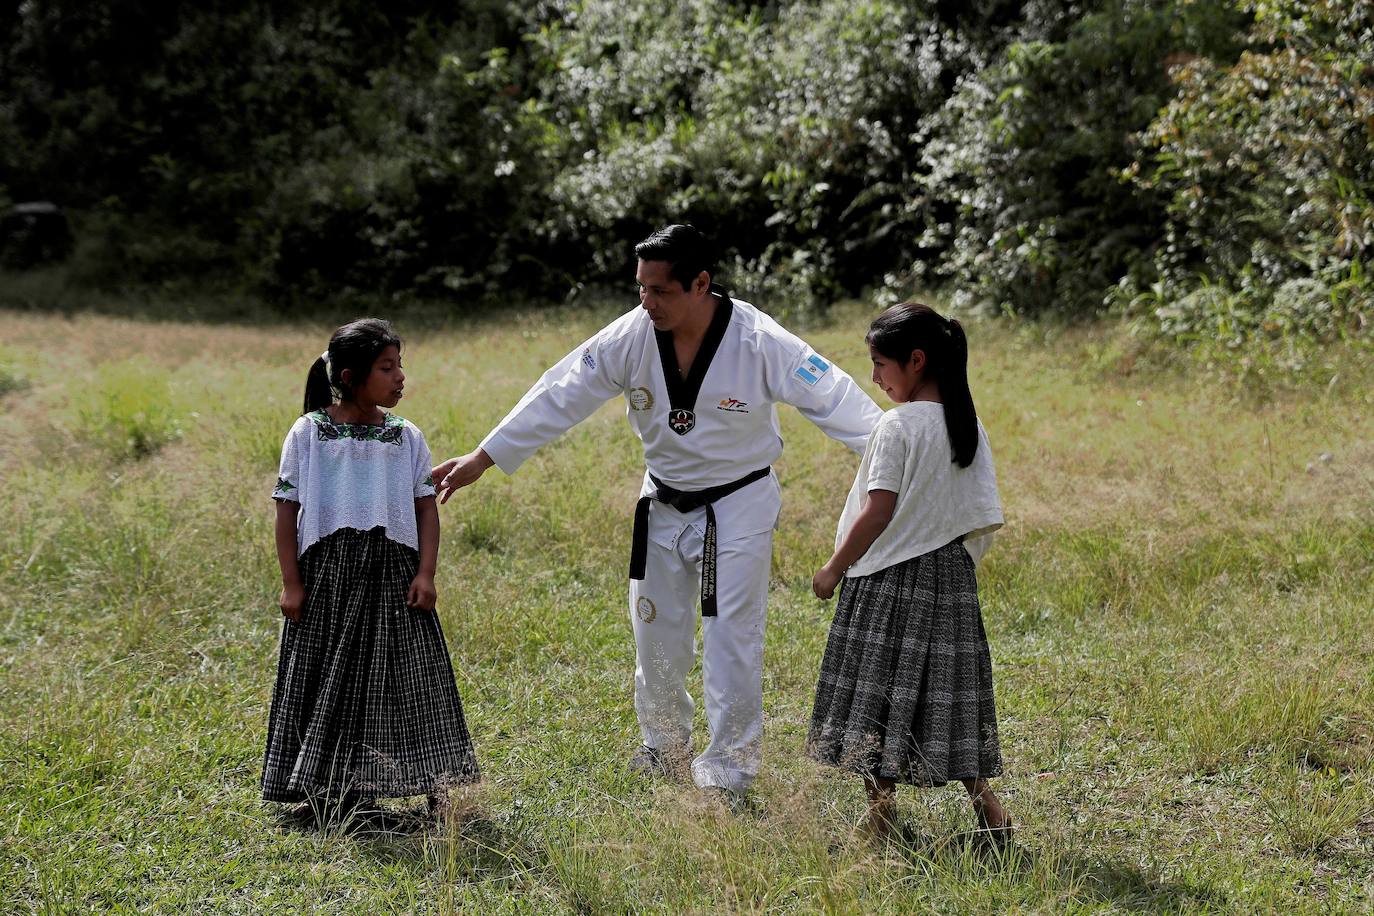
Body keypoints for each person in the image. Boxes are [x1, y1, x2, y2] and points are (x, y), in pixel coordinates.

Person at [433, 225, 883, 796]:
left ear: (701, 284)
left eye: (660, 291)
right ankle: (665, 744)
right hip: (663, 500)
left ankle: (729, 769)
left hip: (737, 503)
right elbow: (561, 391)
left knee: (731, 637)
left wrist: (902, 455)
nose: (647, 302)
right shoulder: (631, 334)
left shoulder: (760, 342)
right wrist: (486, 455)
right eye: (641, 288)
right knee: (655, 634)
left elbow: (837, 398)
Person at [807, 302, 1008, 845]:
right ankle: (989, 811)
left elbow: (878, 511)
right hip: (950, 582)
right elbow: (973, 514)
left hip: (888, 581)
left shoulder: (898, 426)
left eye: (879, 364)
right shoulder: (967, 424)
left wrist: (832, 569)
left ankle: (880, 819)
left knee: (878, 695)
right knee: (950, 694)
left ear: (916, 361)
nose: (874, 378)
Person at [263, 318, 478, 823]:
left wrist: (426, 574)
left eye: (400, 365)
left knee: (411, 680)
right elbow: (286, 509)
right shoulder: (310, 432)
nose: (400, 376)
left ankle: (437, 789)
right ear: (349, 374)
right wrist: (292, 583)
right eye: (387, 367)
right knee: (327, 680)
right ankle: (326, 793)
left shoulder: (406, 437)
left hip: (394, 576)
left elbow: (427, 508)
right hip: (327, 579)